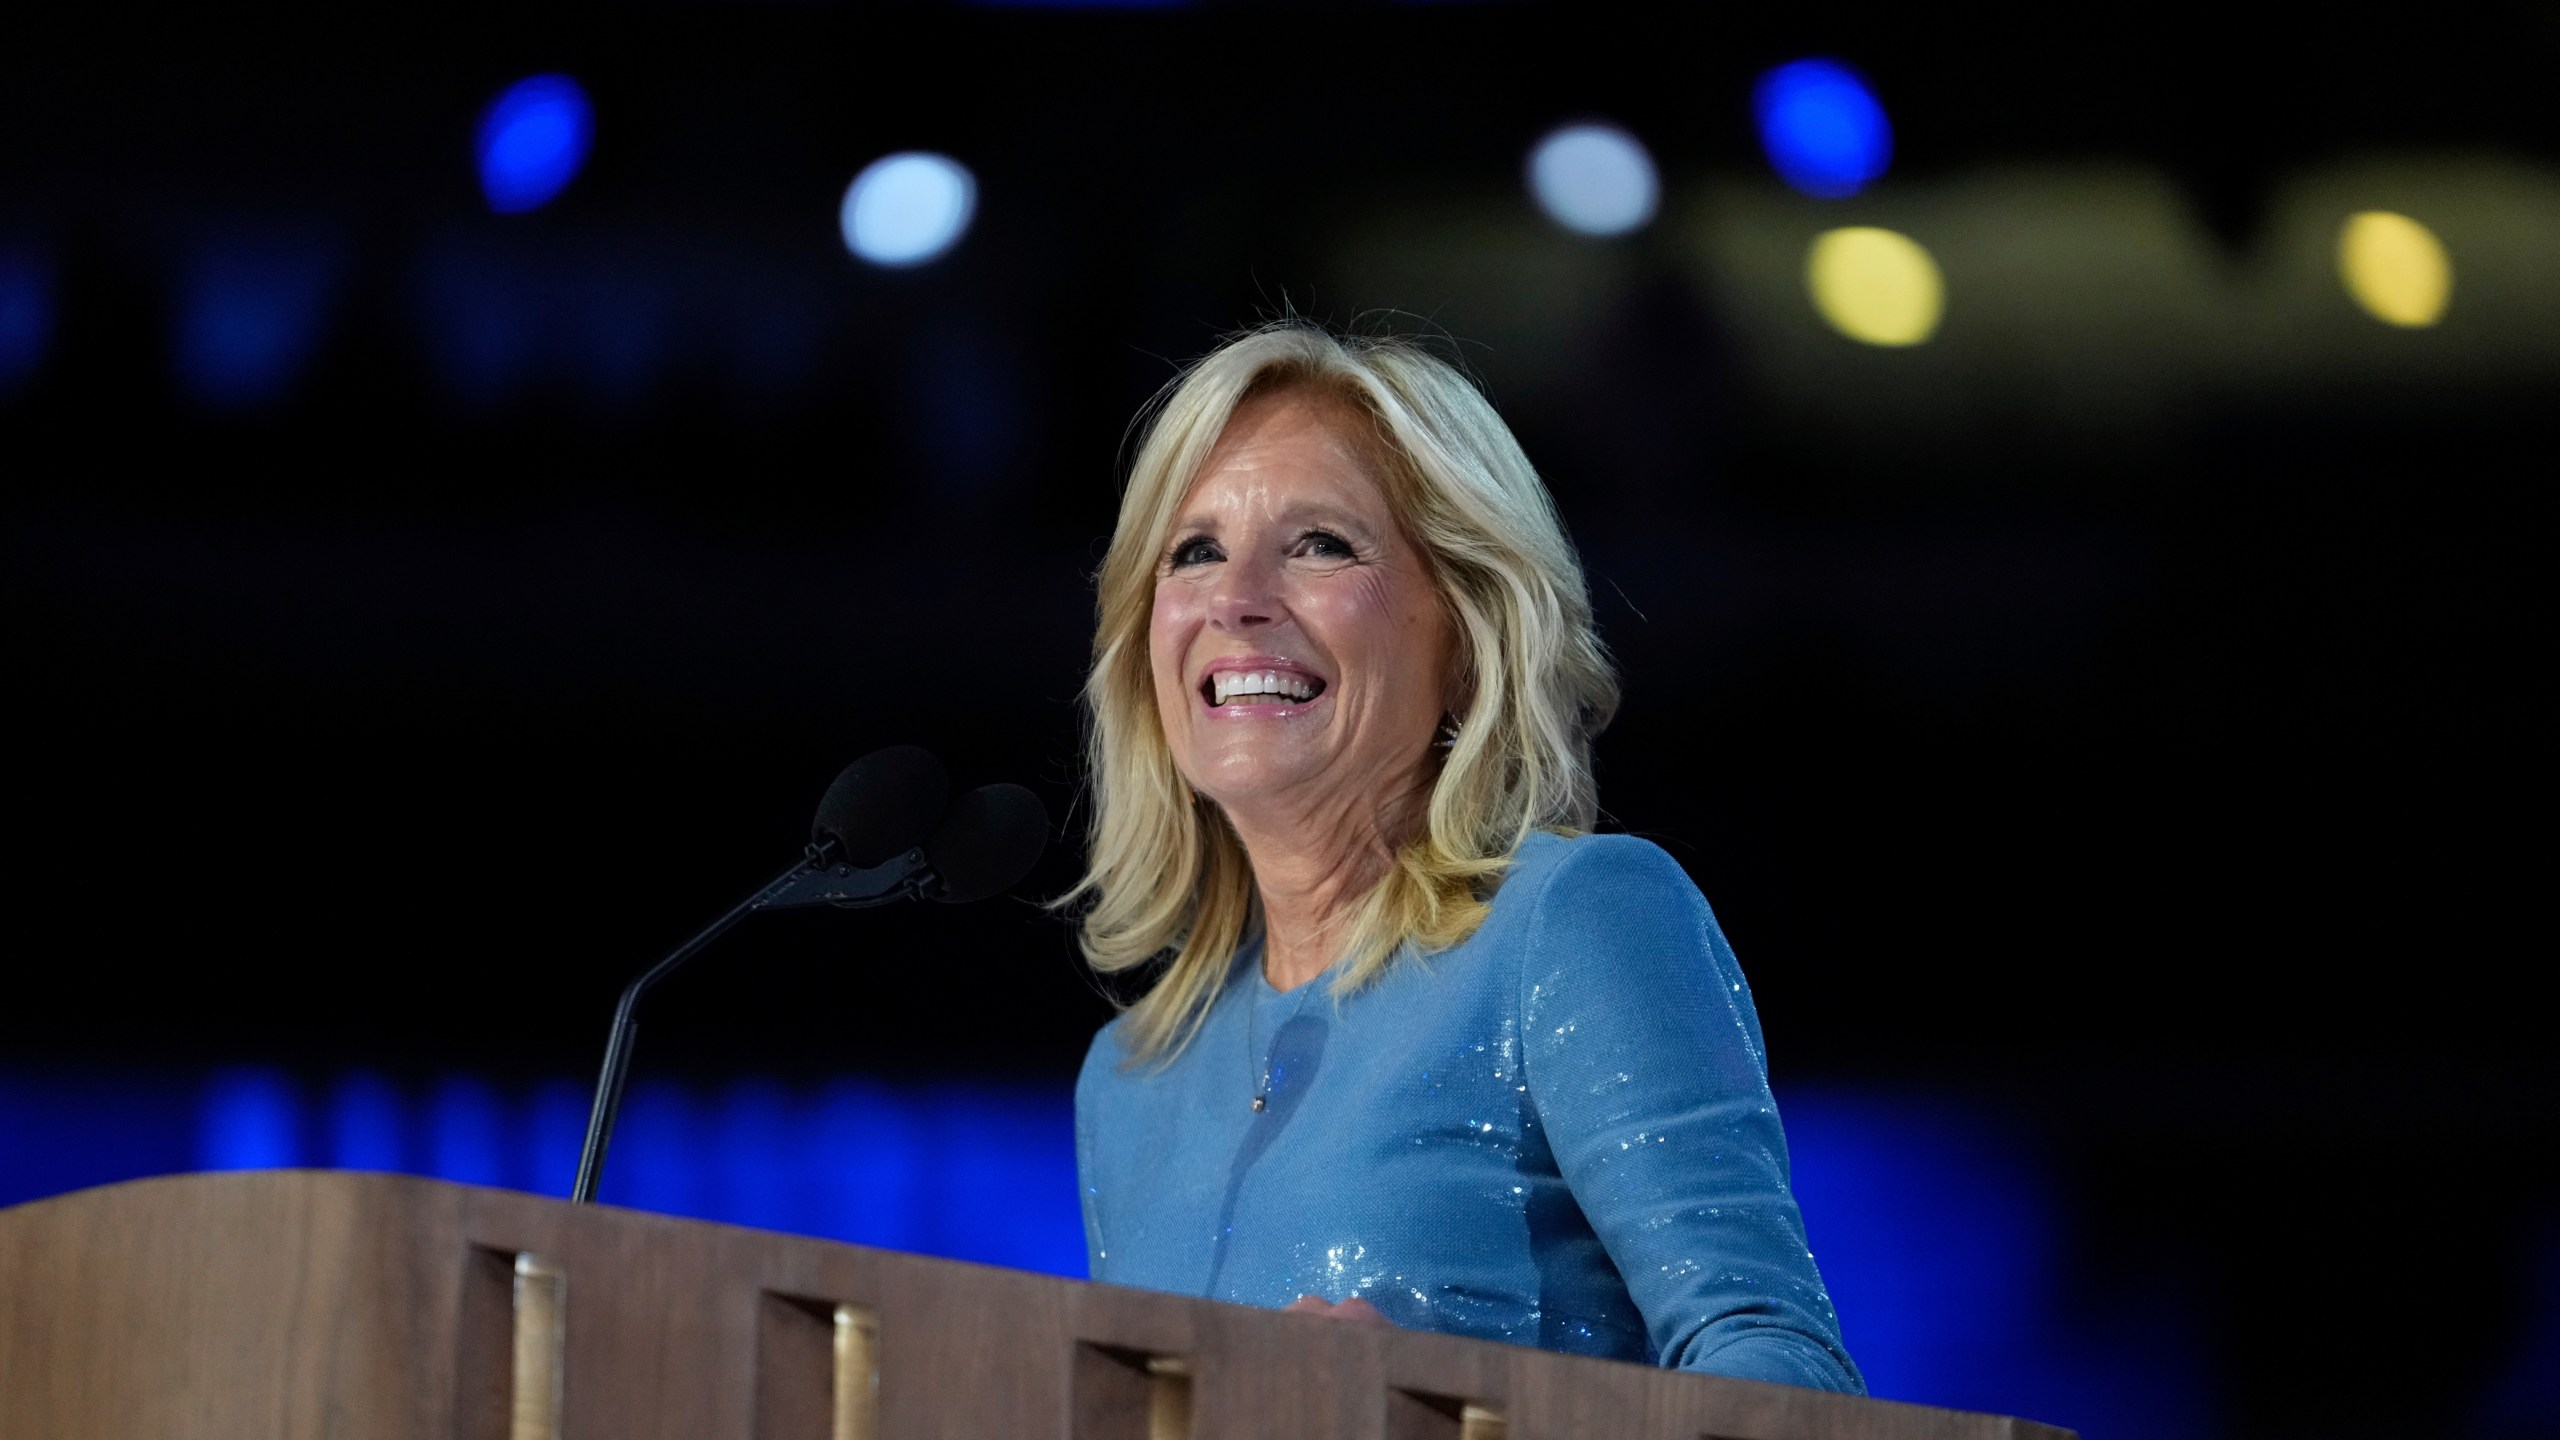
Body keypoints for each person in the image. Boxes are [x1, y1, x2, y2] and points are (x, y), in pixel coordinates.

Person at [1063, 321, 1862, 1393]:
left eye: (1320, 545)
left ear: (1468, 622)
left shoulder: (1573, 921)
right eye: (1193, 550)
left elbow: (1786, 1377)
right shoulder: (1128, 1081)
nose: (1235, 598)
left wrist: (1446, 1414)